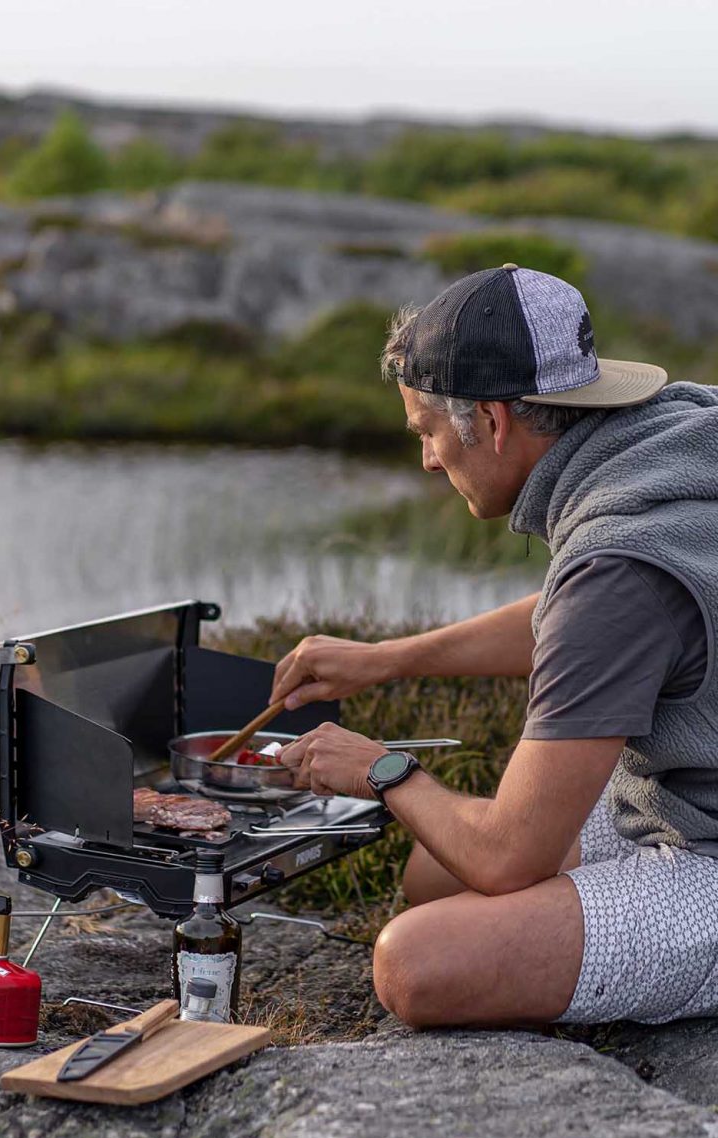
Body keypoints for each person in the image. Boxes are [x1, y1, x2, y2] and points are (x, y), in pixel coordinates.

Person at [270, 263, 718, 1029]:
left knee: (419, 961)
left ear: (494, 420)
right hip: (693, 793)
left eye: (429, 432)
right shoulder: (672, 439)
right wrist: (390, 658)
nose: (429, 461)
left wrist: (380, 770)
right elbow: (583, 618)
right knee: (433, 874)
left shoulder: (615, 567)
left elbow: (513, 856)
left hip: (706, 845)